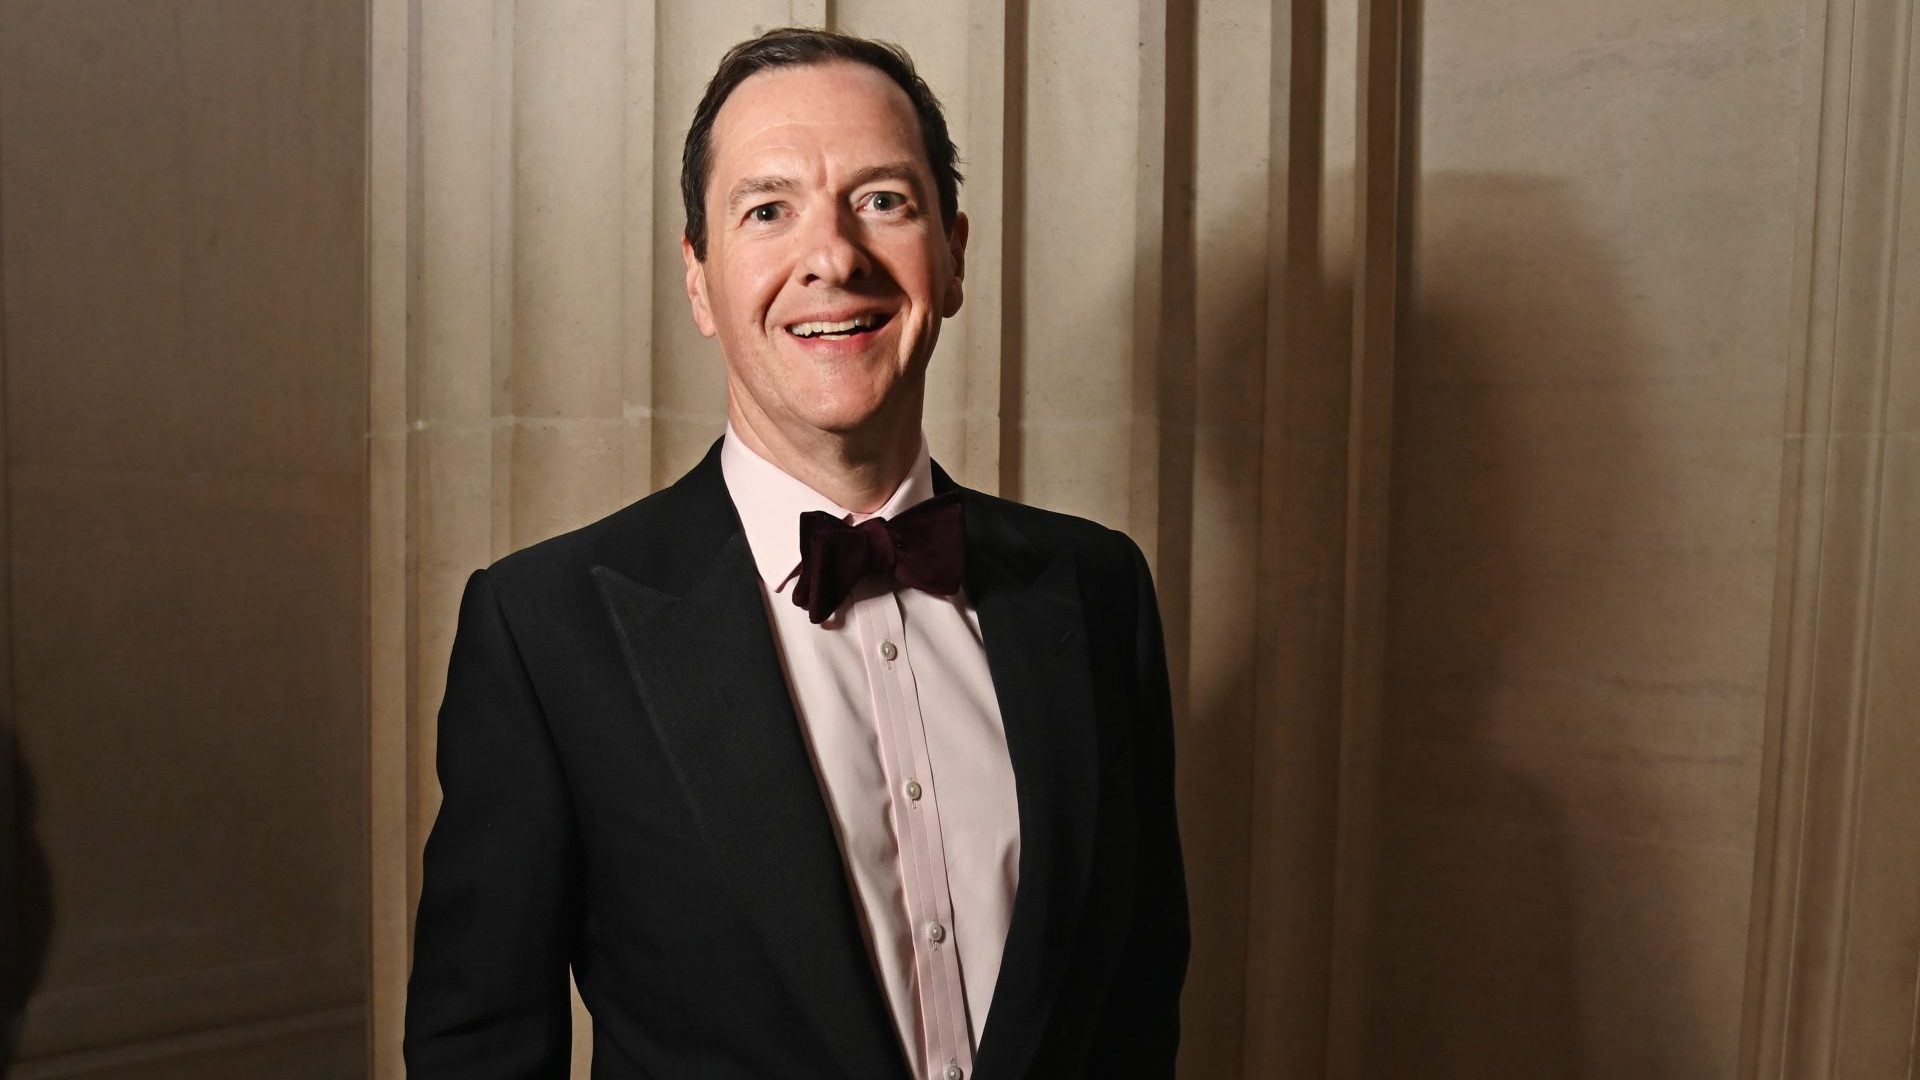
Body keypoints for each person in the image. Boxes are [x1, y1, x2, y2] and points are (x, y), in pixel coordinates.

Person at [403, 27, 1187, 1080]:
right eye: (769, 210)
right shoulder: (544, 631)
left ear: (952, 256)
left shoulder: (1097, 592)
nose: (833, 257)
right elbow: (479, 1049)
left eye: (883, 201)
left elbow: (1138, 1003)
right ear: (700, 280)